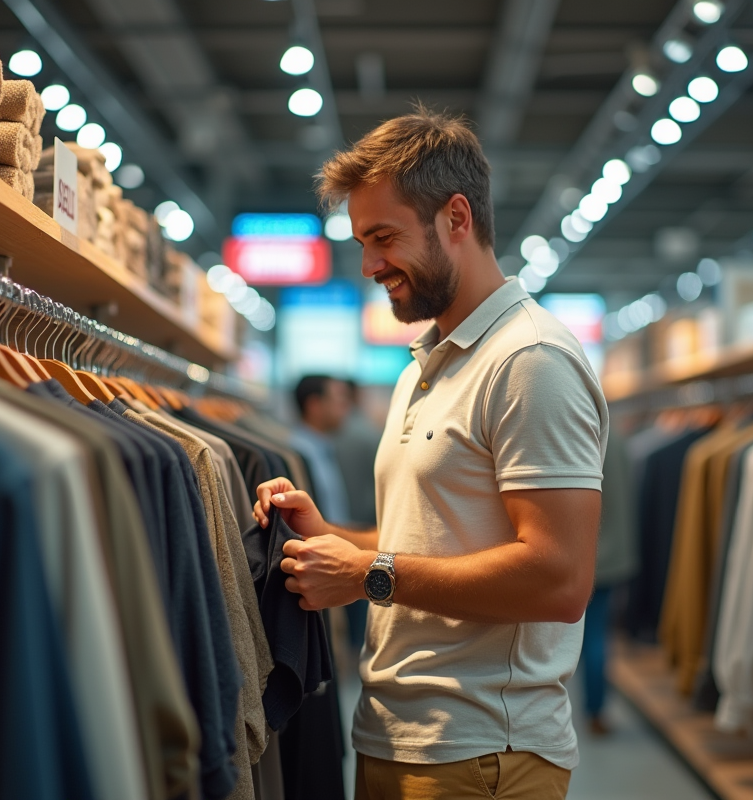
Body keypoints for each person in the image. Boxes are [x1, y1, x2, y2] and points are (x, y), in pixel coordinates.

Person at [252, 107, 609, 800]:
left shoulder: (530, 360)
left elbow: (560, 580)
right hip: (402, 737)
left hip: (480, 753)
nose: (370, 265)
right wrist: (331, 542)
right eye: (361, 242)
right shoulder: (428, 364)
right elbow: (431, 541)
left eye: (384, 237)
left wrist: (368, 576)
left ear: (456, 218)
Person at [579, 423, 640, 736]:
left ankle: (581, 707)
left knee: (575, 638)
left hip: (579, 556)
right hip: (613, 556)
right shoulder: (618, 440)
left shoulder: (575, 436)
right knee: (598, 637)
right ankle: (596, 710)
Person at [333, 379, 384, 651]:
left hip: (341, 524)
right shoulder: (368, 433)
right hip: (366, 524)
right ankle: (356, 646)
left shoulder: (337, 433)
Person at [289, 374, 353, 526]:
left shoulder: (323, 448)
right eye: (339, 400)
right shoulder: (298, 456)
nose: (346, 408)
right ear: (314, 405)